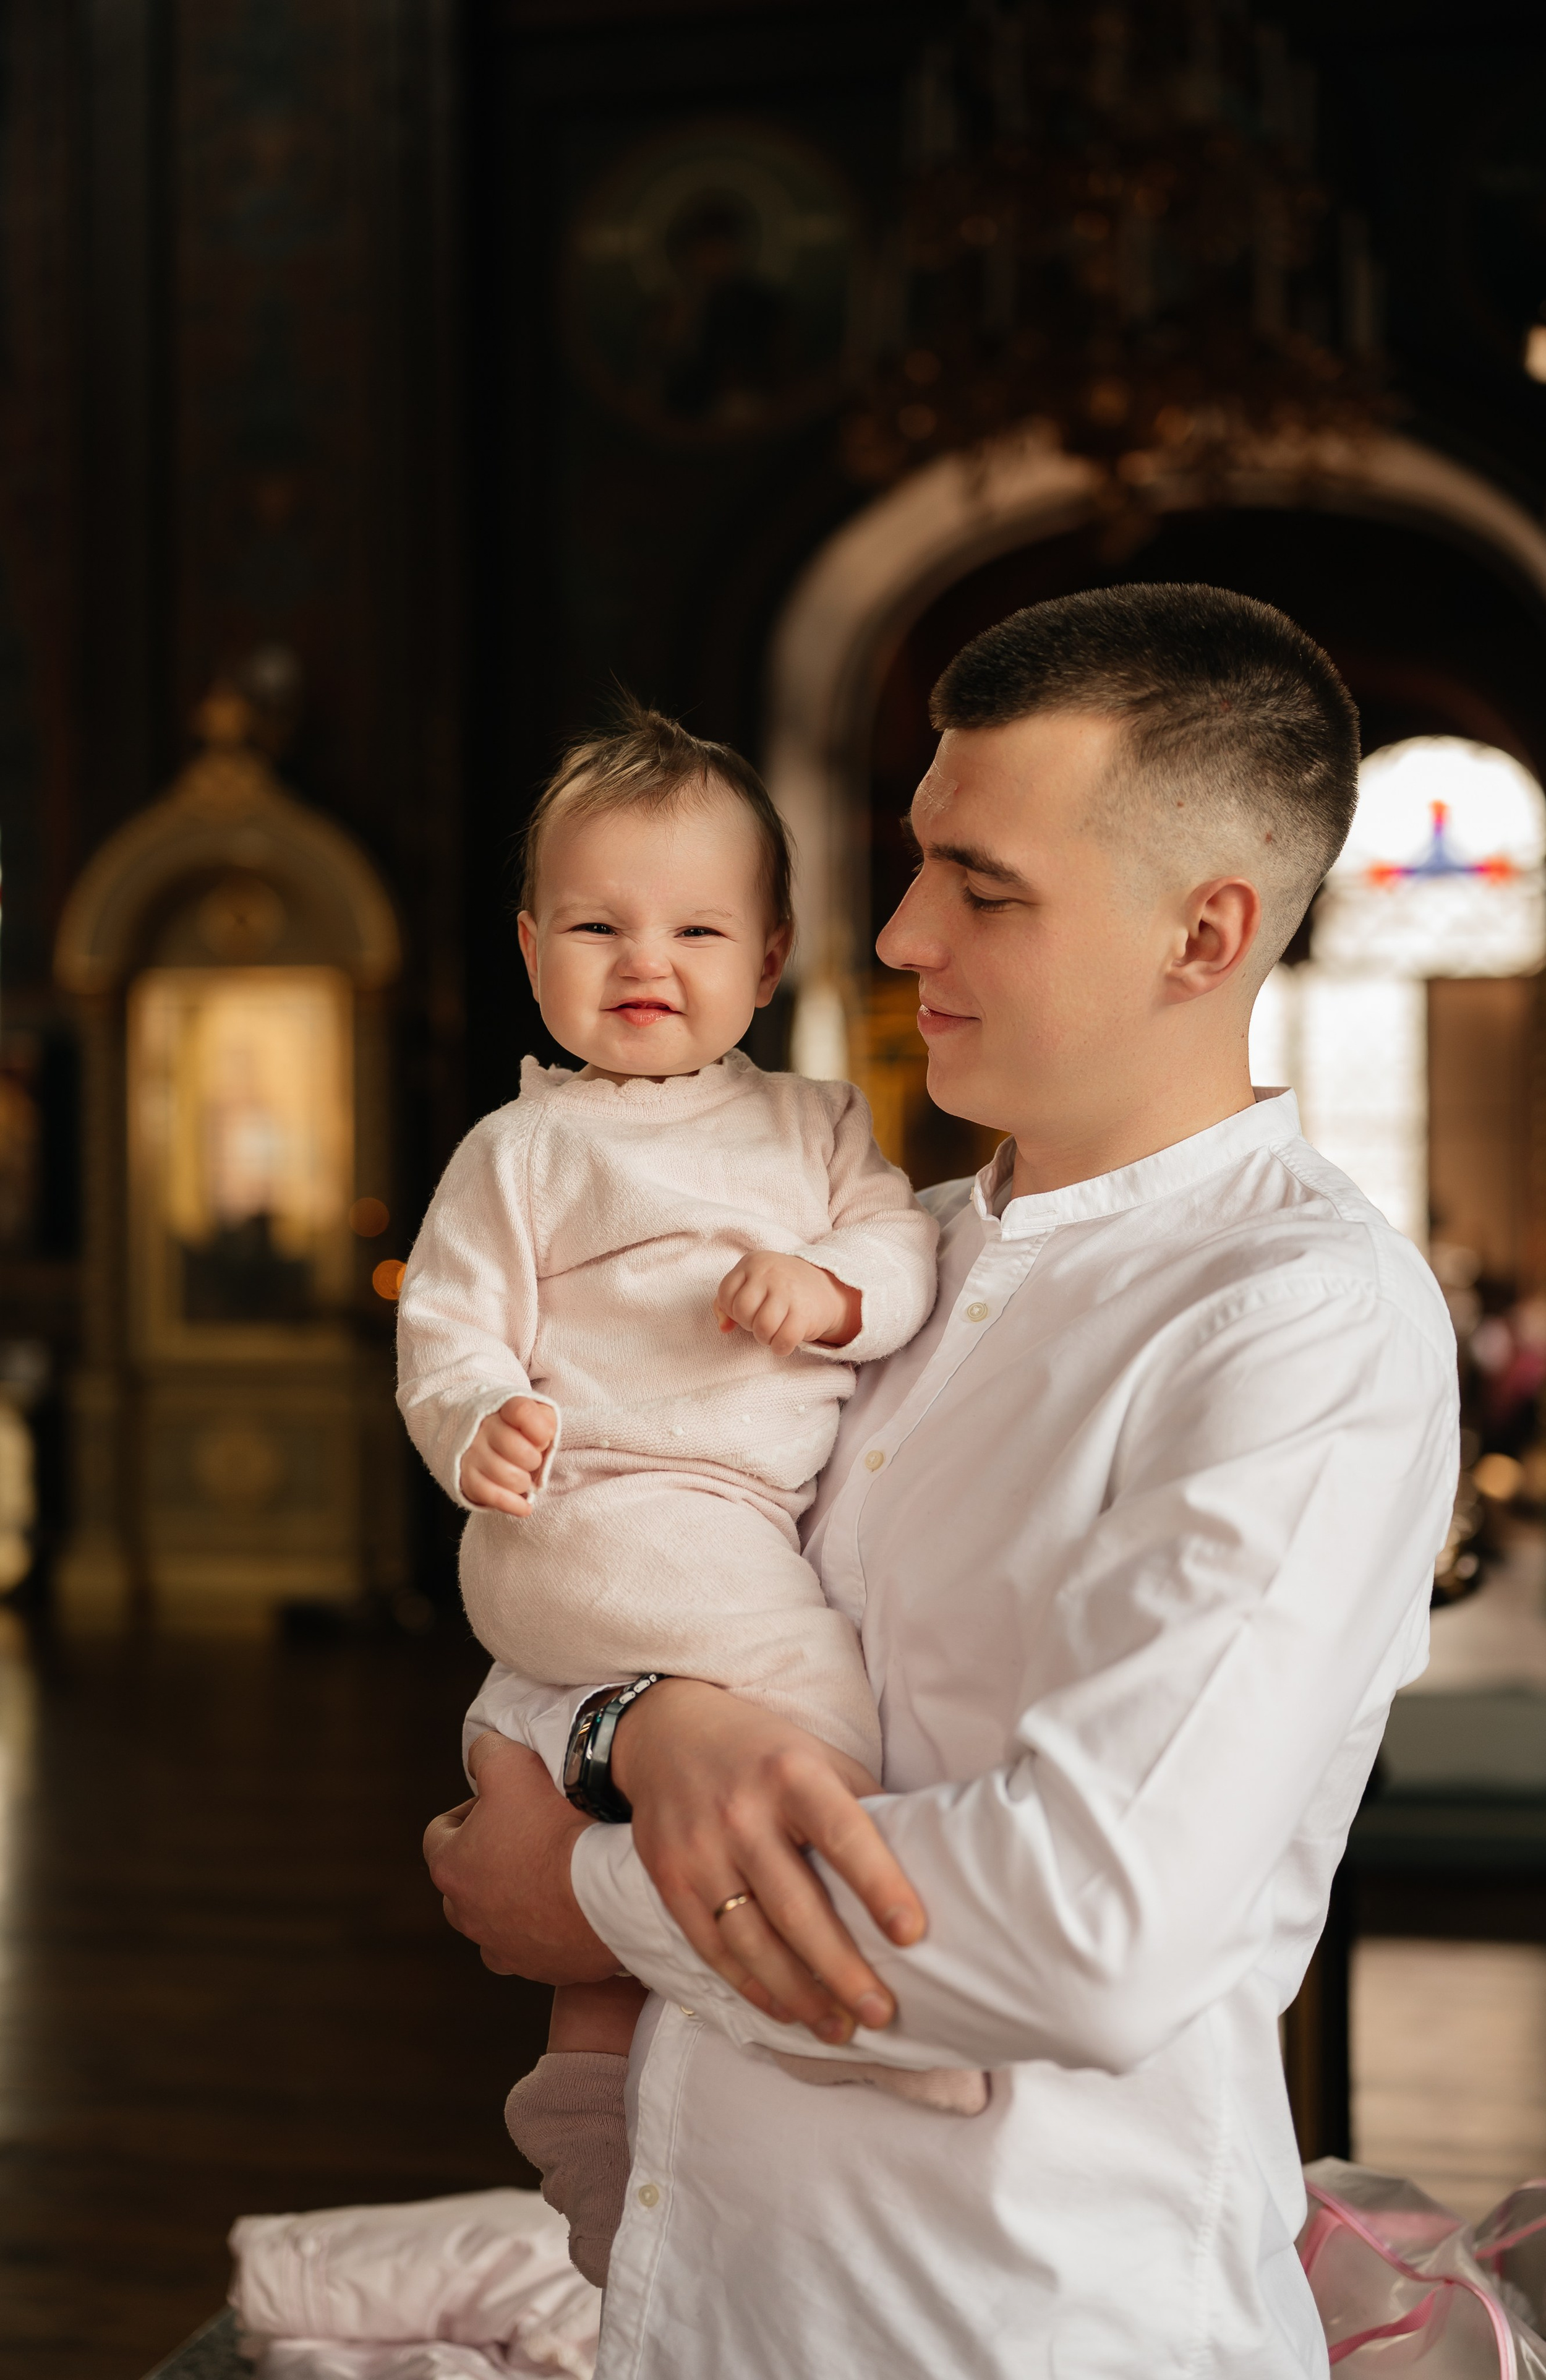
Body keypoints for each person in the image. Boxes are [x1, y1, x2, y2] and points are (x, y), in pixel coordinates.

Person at [426, 584, 1461, 2378]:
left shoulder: (1301, 1323)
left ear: (1203, 932)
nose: (902, 932)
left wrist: (580, 1895)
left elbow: (1085, 1924)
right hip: (700, 2301)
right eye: (916, 863)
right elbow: (627, 1574)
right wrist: (634, 1730)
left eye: (983, 887)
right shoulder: (866, 1261)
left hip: (1018, 2321)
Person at [396, 703, 946, 2285]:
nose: (646, 958)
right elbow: (445, 1329)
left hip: (696, 1543)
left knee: (608, 1809)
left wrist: (828, 1289)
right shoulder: (521, 1149)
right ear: (531, 950)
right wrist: (480, 1419)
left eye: (696, 929)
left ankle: (586, 2113)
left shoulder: (814, 1123)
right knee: (827, 1717)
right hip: (601, 1509)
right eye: (596, 926)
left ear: (767, 959)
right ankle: (869, 2011)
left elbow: (899, 1247)